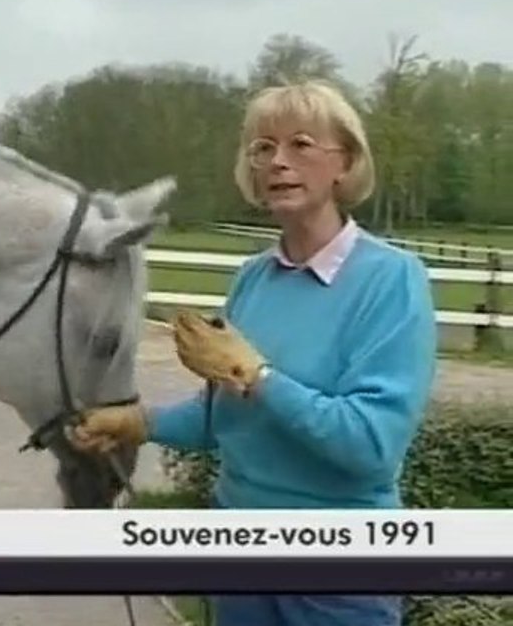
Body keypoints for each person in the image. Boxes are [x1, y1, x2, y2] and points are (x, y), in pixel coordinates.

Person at [70, 79, 438, 626]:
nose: (277, 162)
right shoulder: (252, 280)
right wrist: (138, 422)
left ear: (345, 163)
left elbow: (371, 447)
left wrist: (256, 373)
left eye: (300, 145)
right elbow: (230, 416)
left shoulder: (393, 280)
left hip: (340, 567)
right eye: (262, 148)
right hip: (238, 545)